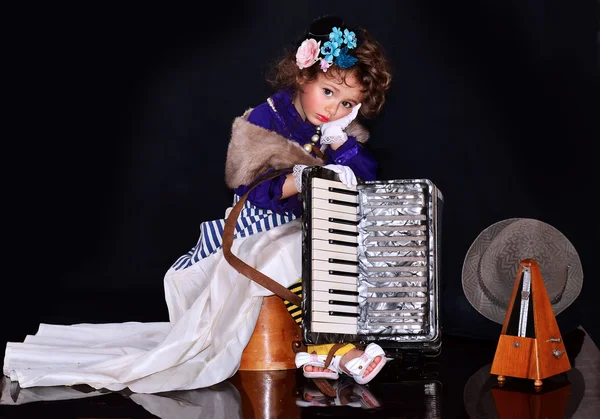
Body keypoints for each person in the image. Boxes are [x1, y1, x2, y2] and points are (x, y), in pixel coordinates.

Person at [2, 15, 392, 393]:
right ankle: (326, 348)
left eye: (347, 104)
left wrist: (342, 143)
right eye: (328, 92)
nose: (333, 109)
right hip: (256, 224)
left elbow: (365, 179)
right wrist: (301, 178)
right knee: (294, 257)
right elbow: (249, 187)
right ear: (303, 74)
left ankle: (328, 347)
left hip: (299, 227)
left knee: (334, 254)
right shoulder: (266, 119)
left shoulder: (336, 130)